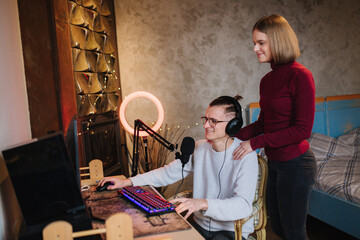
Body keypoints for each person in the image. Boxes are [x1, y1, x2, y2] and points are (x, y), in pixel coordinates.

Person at [99, 96, 258, 240]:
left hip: (231, 231)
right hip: (200, 225)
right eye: (206, 119)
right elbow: (167, 173)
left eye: (213, 121)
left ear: (233, 125)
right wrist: (127, 182)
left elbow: (243, 205)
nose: (206, 125)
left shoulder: (246, 156)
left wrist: (202, 203)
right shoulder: (200, 148)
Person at [232, 15, 317, 240]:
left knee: (294, 234)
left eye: (261, 43)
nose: (255, 49)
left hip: (297, 165)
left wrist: (255, 143)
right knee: (278, 228)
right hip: (276, 163)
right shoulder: (267, 80)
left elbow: (302, 130)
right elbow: (263, 123)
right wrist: (231, 137)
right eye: (254, 43)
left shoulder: (300, 75)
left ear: (278, 41)